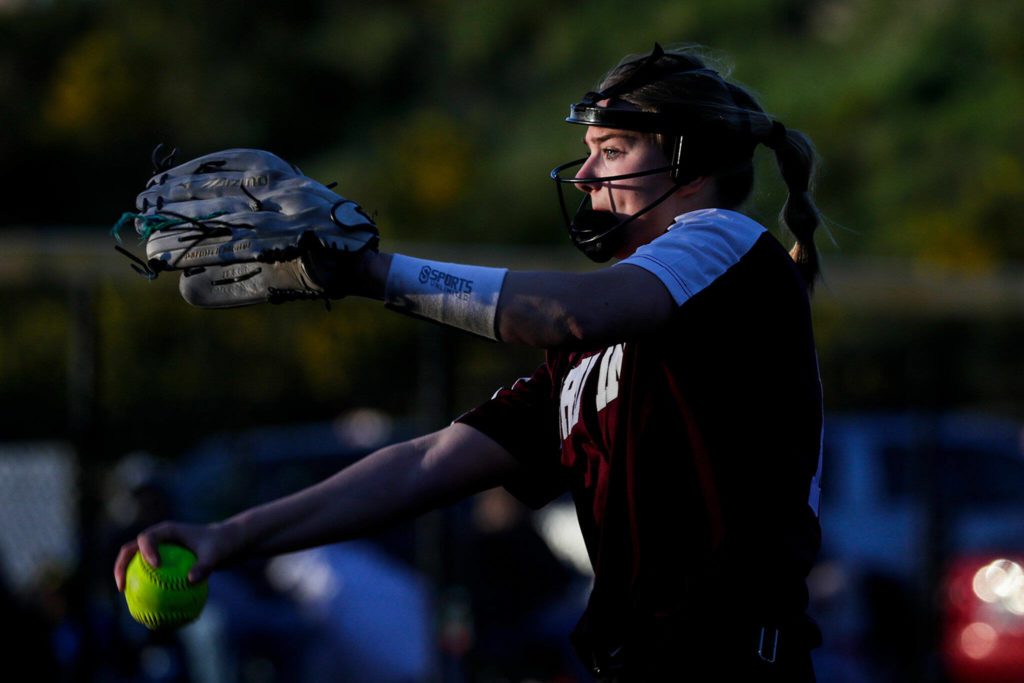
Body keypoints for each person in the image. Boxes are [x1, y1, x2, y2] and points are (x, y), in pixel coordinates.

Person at [115, 43, 825, 681]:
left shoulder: (729, 245)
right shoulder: (594, 349)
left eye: (612, 150)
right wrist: (228, 537)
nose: (583, 175)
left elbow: (572, 309)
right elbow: (424, 463)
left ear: (691, 164)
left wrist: (370, 271)